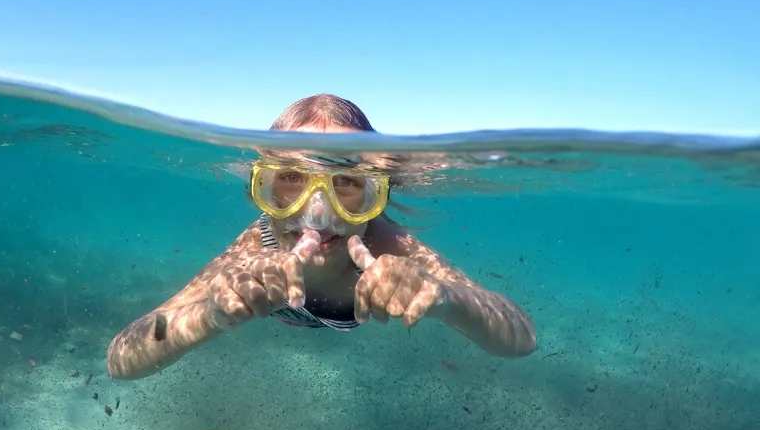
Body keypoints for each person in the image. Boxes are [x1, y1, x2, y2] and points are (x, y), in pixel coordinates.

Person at [106, 94, 537, 380]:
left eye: (346, 184)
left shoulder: (389, 248)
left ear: (378, 195)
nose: (317, 216)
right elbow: (121, 360)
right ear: (262, 190)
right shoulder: (254, 249)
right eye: (291, 179)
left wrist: (443, 296)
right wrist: (210, 316)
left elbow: (521, 339)